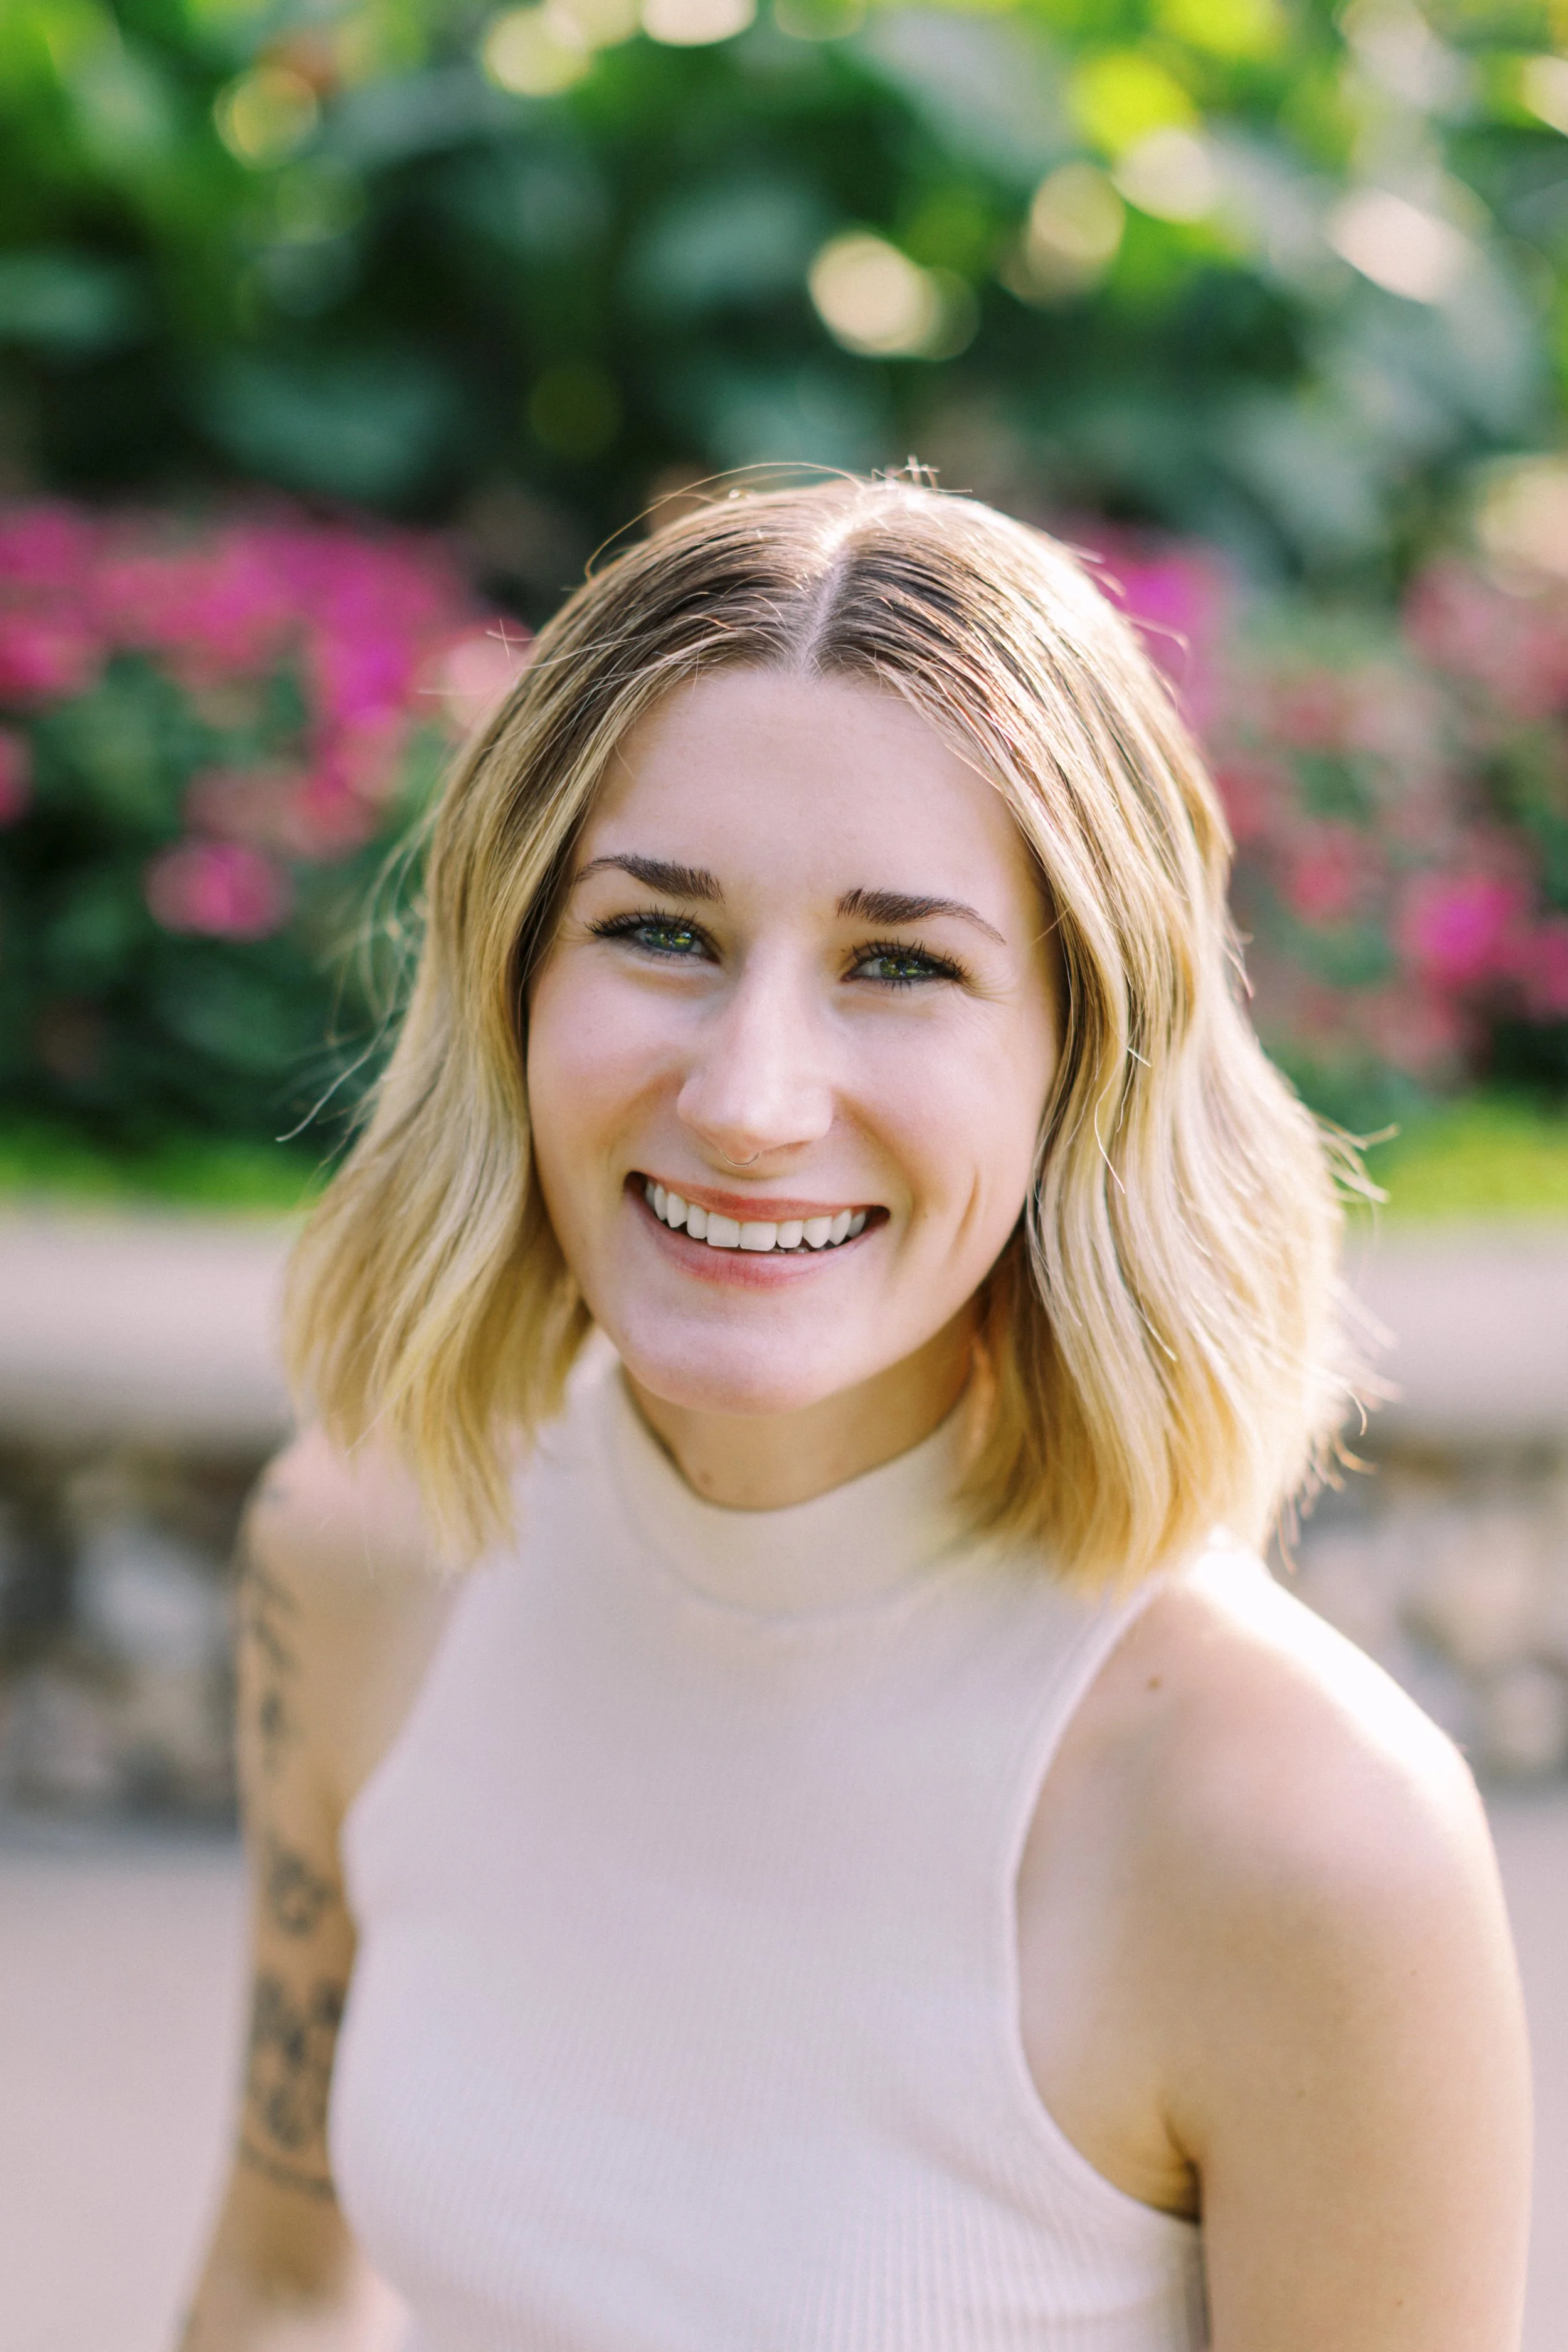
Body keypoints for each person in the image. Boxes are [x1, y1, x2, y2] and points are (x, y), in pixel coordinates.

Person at [181, 479, 1531, 2352]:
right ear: (512, 974)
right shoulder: (359, 1549)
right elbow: (273, 2291)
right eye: (658, 930)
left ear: (1080, 1058)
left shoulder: (1301, 1837)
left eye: (902, 964)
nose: (748, 1096)